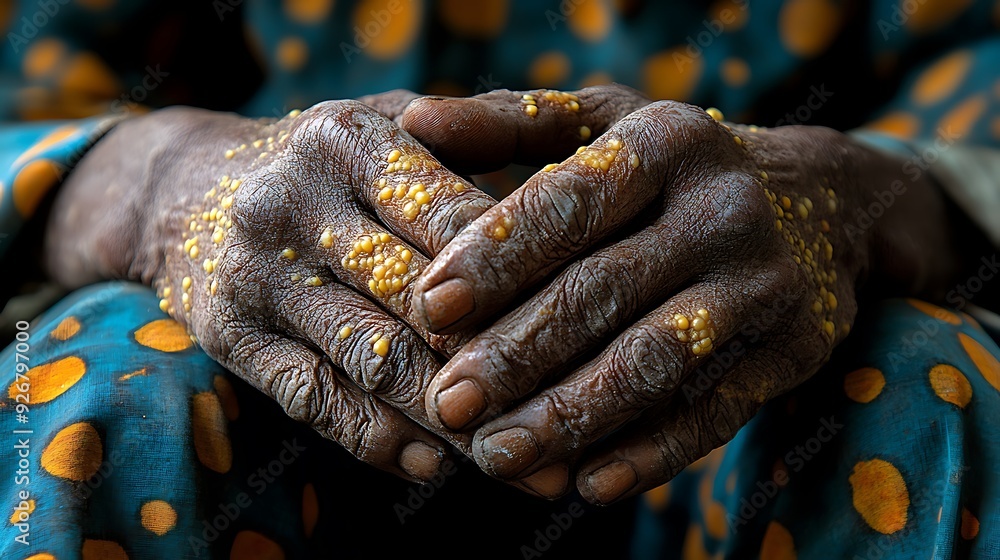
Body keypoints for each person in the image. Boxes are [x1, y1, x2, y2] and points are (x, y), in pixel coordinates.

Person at [1, 0, 999, 558]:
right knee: (109, 394)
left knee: (924, 388)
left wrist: (844, 197)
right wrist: (159, 186)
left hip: (752, 362)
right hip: (273, 351)